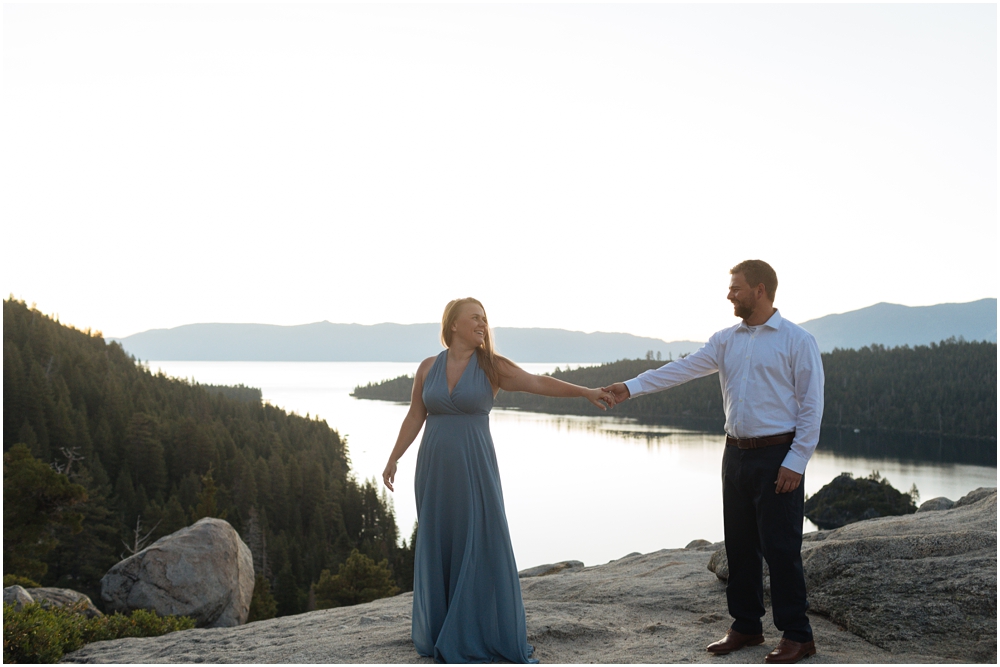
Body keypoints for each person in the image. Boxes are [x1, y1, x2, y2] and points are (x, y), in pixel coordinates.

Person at [604, 260, 823, 665]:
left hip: (778, 455)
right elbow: (682, 370)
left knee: (781, 547)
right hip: (735, 453)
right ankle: (746, 626)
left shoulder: (797, 340)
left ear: (759, 290)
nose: (729, 295)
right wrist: (629, 388)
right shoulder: (725, 340)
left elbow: (812, 407)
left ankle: (798, 634)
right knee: (739, 544)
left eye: (736, 288)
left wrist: (797, 460)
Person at [382, 297, 615, 663]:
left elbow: (539, 382)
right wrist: (394, 456)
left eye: (485, 319)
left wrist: (585, 392)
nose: (482, 324)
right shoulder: (428, 368)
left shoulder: (492, 367)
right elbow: (415, 415)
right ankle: (443, 629)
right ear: (453, 324)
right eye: (474, 317)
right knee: (440, 542)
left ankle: (475, 631)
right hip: (434, 470)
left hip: (474, 467)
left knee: (479, 541)